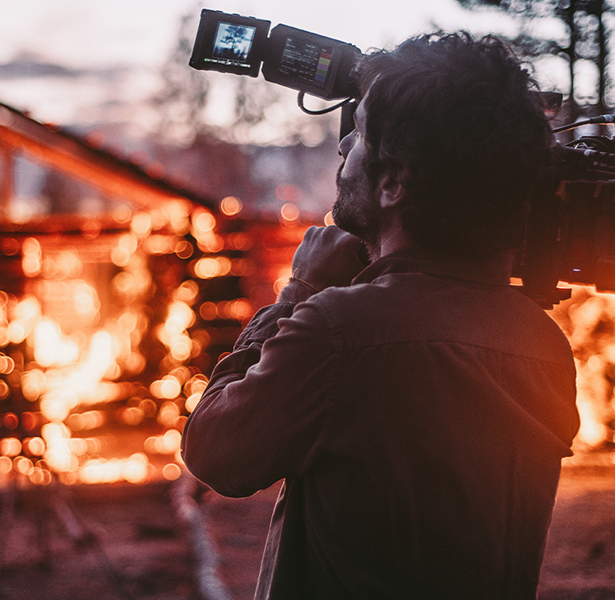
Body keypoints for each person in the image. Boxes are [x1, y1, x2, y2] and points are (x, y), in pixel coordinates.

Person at [181, 32, 580, 599]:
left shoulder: (339, 333)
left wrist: (300, 290)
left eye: (361, 133)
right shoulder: (542, 345)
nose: (344, 149)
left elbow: (215, 452)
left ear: (394, 183)